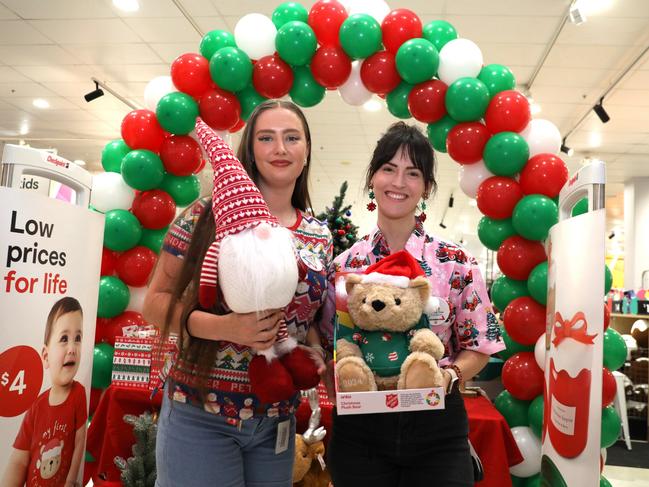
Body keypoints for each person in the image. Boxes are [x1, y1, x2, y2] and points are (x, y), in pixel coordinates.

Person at [144, 100, 333, 487]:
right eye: (267, 138)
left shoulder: (319, 235)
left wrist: (312, 348)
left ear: (307, 149)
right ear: (251, 149)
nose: (280, 148)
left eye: (291, 137)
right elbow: (155, 302)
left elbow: (307, 319)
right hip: (200, 413)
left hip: (277, 421)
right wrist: (225, 327)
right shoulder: (205, 216)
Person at [326, 122, 505, 487]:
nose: (398, 182)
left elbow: (480, 345)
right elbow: (332, 341)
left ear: (426, 187)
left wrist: (450, 375)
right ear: (372, 178)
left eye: (413, 173)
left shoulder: (456, 261)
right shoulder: (346, 267)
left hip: (436, 426)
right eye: (388, 169)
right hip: (361, 428)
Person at [2, 297, 87, 487]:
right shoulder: (36, 407)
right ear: (46, 356)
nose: (73, 348)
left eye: (78, 338)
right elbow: (19, 460)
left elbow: (80, 442)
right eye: (64, 339)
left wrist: (71, 481)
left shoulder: (78, 394)